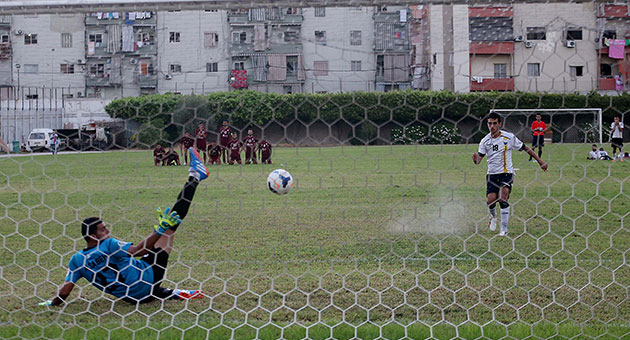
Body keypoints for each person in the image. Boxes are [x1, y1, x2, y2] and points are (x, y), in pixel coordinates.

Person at [38, 148, 210, 306]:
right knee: (172, 224)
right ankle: (195, 175)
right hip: (150, 278)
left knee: (158, 243)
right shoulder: (108, 245)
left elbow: (66, 290)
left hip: (135, 299)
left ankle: (168, 292)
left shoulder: (76, 260)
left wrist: (52, 303)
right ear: (92, 236)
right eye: (103, 229)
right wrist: (159, 230)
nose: (107, 231)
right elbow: (139, 251)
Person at [472, 112, 548, 236]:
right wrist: (475, 159)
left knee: (503, 197)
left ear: (500, 124)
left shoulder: (509, 137)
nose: (492, 126)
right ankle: (493, 217)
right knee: (491, 200)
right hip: (492, 174)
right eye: (490, 123)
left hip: (506, 173)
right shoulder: (484, 141)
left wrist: (540, 162)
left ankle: (504, 229)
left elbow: (525, 148)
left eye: (494, 123)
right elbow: (478, 161)